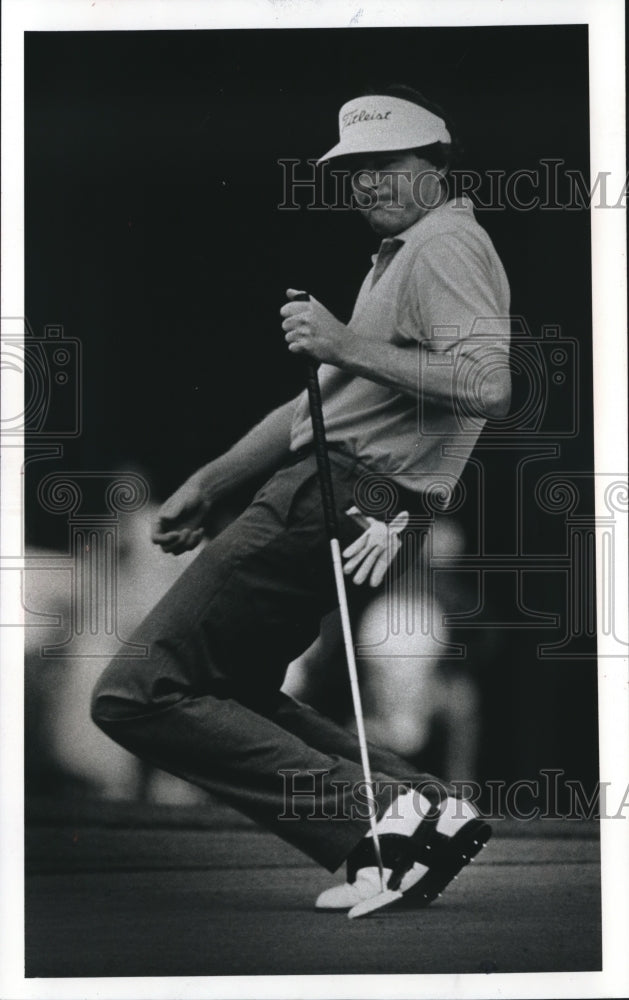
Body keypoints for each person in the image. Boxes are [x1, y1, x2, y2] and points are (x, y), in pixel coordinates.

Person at [91, 84, 511, 914]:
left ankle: (381, 819)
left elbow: (485, 385)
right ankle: (419, 807)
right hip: (343, 497)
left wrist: (344, 344)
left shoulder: (443, 248)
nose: (365, 184)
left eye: (385, 166)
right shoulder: (404, 258)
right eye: (353, 171)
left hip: (335, 496)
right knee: (233, 688)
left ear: (435, 166)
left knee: (137, 693)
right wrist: (212, 482)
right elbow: (317, 402)